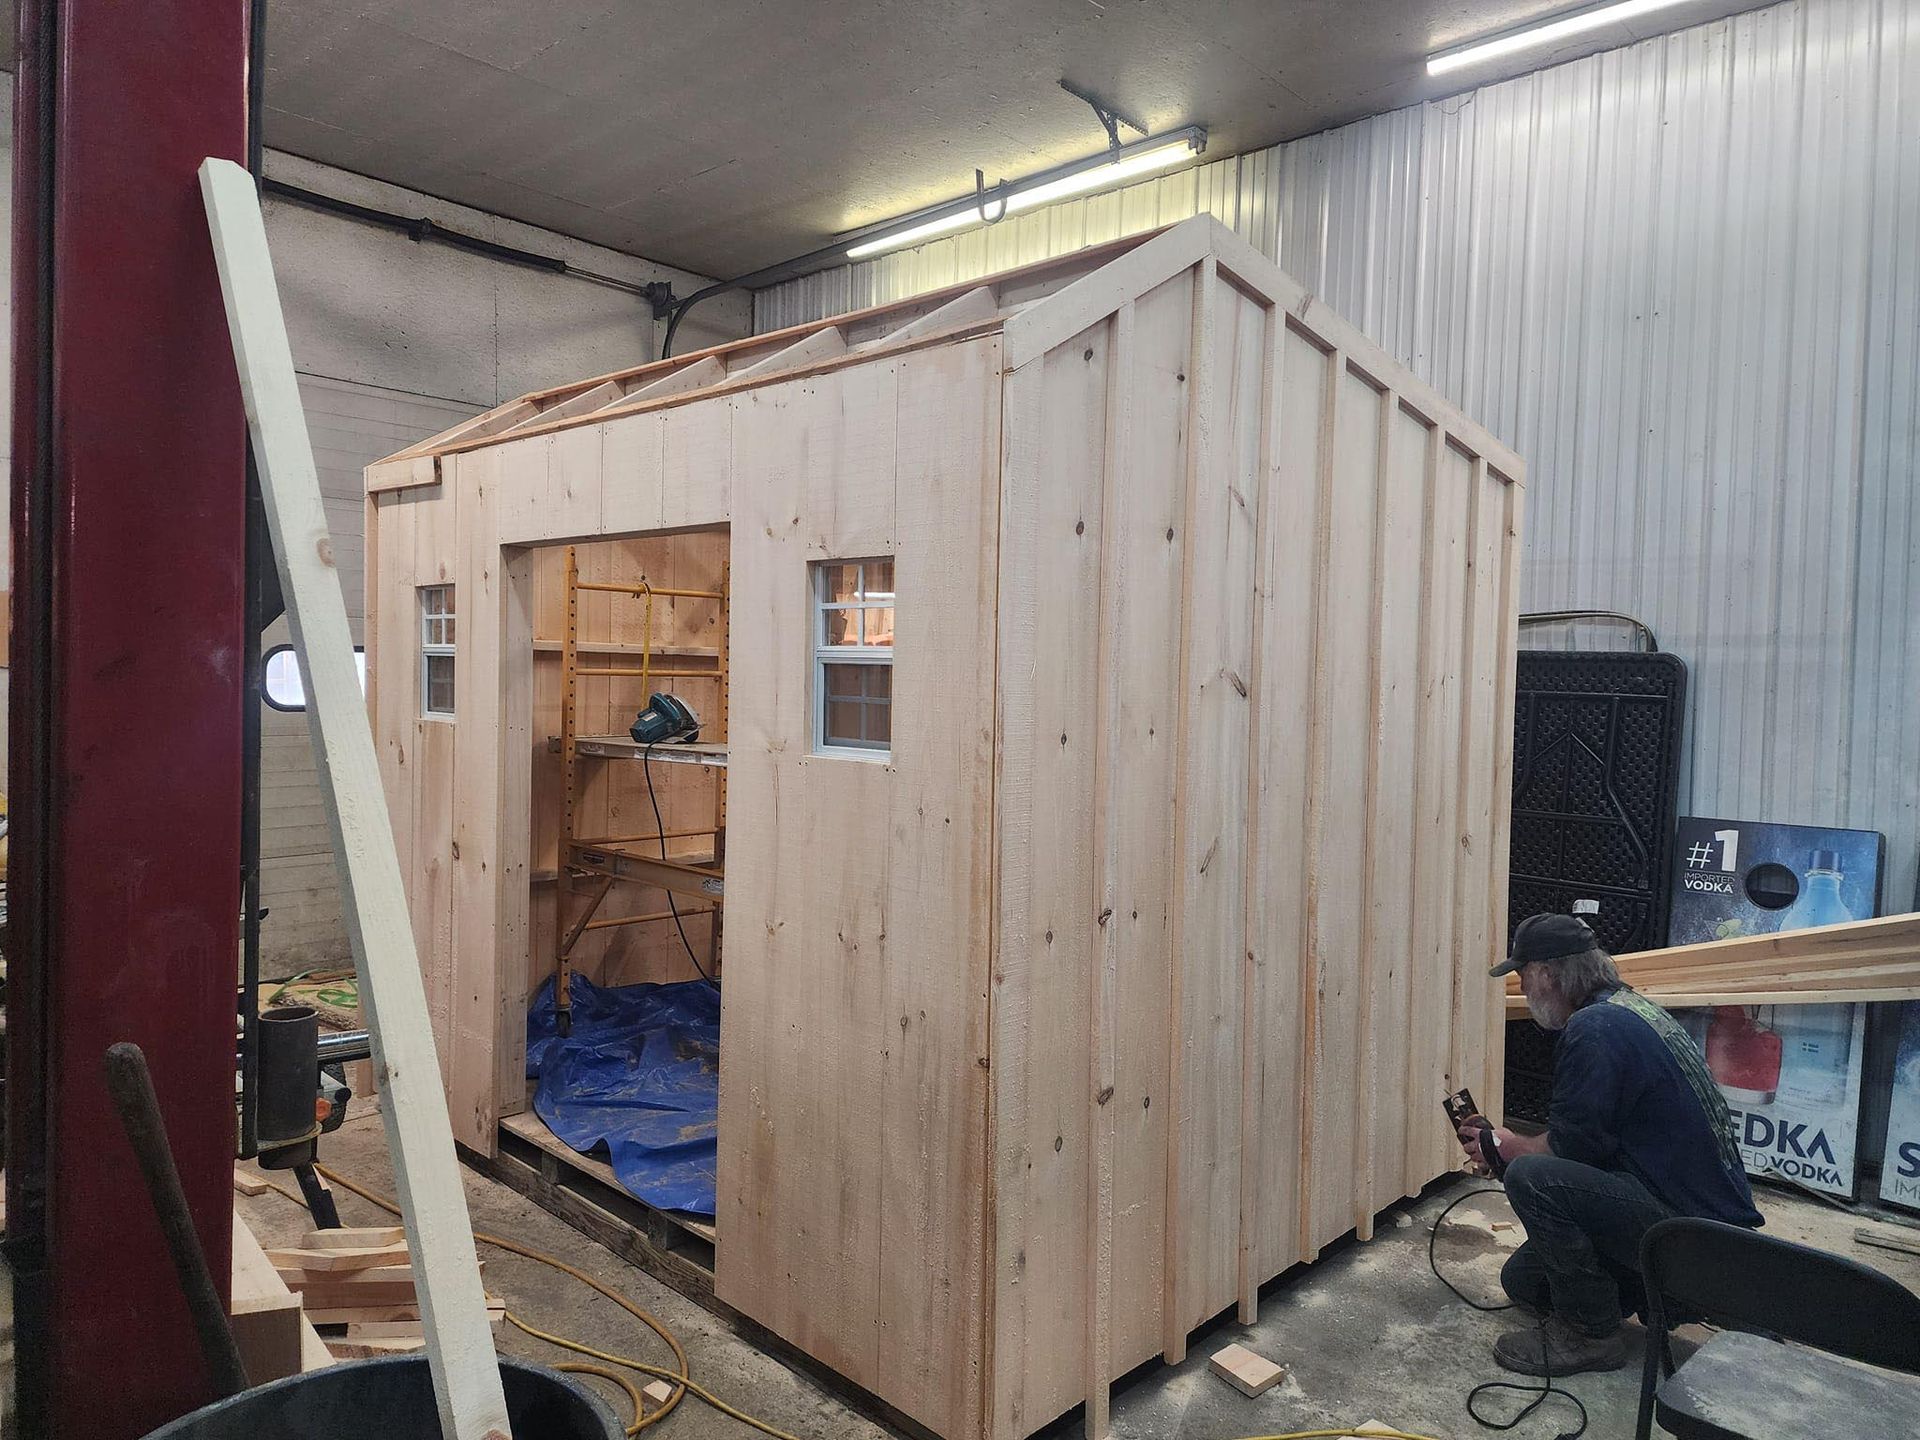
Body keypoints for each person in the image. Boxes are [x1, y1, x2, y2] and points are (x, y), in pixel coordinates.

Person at [1458, 913, 1762, 1377]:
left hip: (1692, 1241)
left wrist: (1500, 1146)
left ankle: (1589, 1333)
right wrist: (1503, 1145)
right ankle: (1638, 1290)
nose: (1522, 987)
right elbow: (1590, 1145)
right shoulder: (1628, 1011)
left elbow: (1566, 1155)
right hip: (1699, 1225)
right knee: (1523, 1282)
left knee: (1530, 1177)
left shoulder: (1595, 1030)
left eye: (1522, 975)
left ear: (1544, 972)